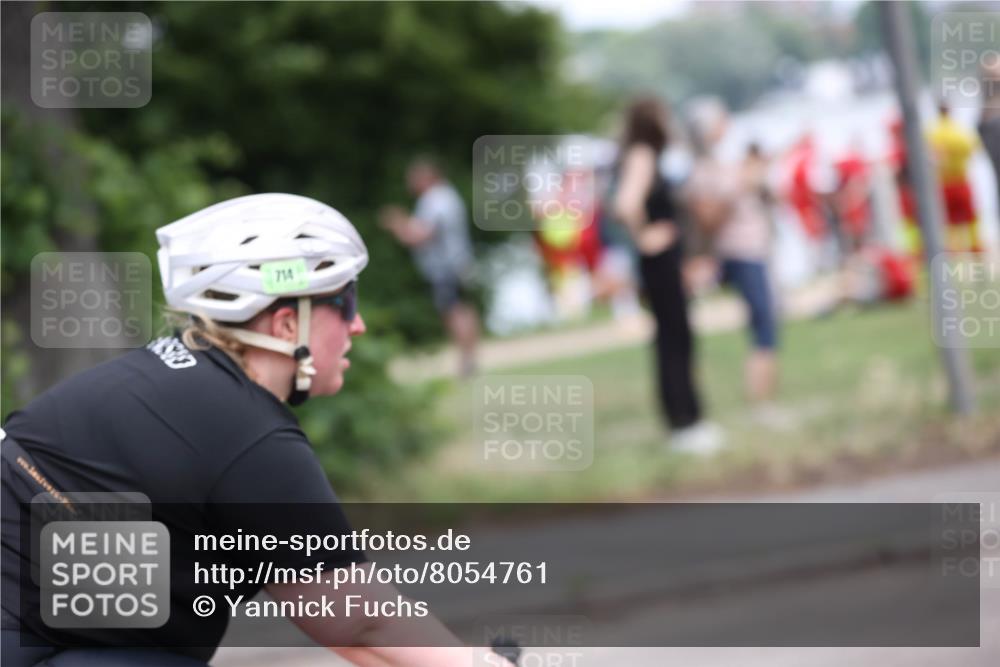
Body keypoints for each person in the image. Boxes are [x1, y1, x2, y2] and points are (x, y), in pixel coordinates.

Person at [1, 194, 515, 667]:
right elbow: (363, 620)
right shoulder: (243, 433)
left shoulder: (178, 382)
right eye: (346, 303)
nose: (357, 325)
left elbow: (339, 620)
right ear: (288, 325)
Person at [613, 96, 723, 454]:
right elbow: (625, 204)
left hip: (662, 261)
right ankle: (685, 421)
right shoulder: (643, 154)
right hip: (659, 260)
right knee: (674, 338)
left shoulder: (645, 154)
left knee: (674, 336)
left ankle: (686, 419)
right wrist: (644, 235)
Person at [685, 101, 781, 420]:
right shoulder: (702, 171)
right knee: (762, 323)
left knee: (768, 324)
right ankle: (760, 403)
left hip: (755, 248)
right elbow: (707, 221)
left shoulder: (728, 163)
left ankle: (765, 398)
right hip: (738, 252)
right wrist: (738, 188)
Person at [381, 158, 480, 376]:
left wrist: (398, 223)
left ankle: (466, 362)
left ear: (426, 177)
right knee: (464, 309)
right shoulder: (448, 195)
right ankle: (470, 359)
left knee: (453, 312)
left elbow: (420, 235)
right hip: (459, 262)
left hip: (445, 267)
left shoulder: (434, 199)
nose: (410, 183)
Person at [927, 102, 982, 253]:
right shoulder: (959, 130)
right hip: (961, 179)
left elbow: (929, 156)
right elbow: (972, 149)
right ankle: (975, 248)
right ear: (950, 111)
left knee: (949, 220)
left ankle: (954, 250)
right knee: (970, 217)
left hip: (943, 182)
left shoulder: (933, 132)